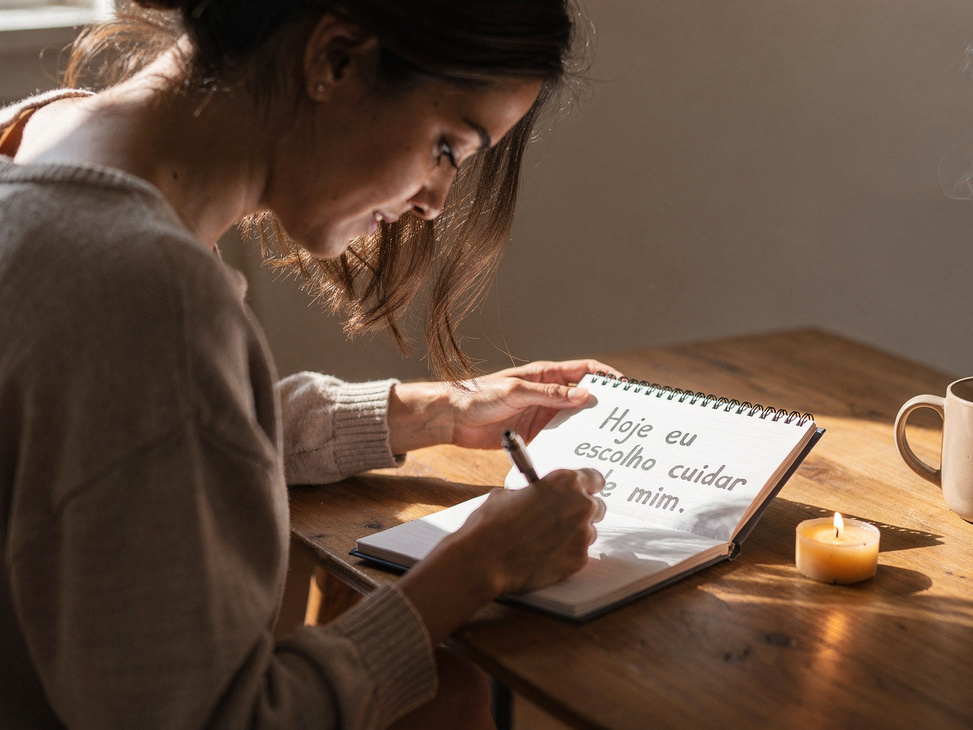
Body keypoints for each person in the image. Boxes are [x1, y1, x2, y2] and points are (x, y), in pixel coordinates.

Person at [0, 0, 613, 727]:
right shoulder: (147, 291)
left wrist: (430, 411)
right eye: (448, 147)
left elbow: (120, 438)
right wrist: (479, 567)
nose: (437, 204)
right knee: (446, 699)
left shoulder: (39, 138)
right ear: (336, 60)